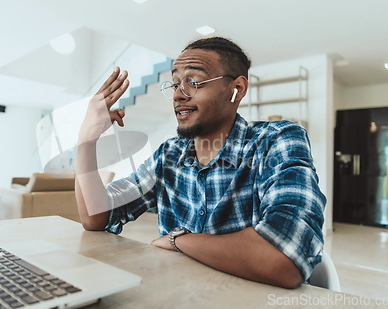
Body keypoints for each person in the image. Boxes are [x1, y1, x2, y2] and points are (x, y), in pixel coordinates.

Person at [75, 36, 326, 289]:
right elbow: (97, 216)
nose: (178, 95)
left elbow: (284, 259)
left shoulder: (276, 141)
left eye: (193, 82)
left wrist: (179, 240)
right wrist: (87, 139)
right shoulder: (169, 154)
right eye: (174, 85)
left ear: (237, 89)